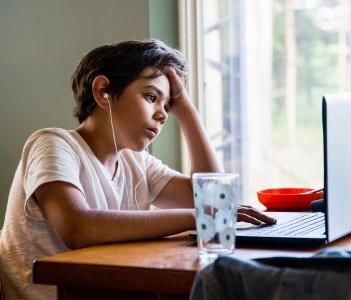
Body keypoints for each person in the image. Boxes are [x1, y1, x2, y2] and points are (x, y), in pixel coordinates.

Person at [0, 39, 276, 299]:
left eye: (168, 105)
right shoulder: (52, 144)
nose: (163, 114)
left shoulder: (136, 161)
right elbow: (77, 228)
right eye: (151, 97)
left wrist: (187, 111)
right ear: (103, 92)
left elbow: (213, 197)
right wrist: (198, 216)